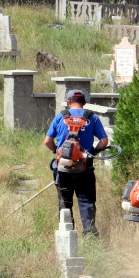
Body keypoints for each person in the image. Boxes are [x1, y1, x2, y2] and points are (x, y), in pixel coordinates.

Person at [43, 90, 108, 237]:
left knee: (65, 202)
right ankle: (90, 235)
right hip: (85, 168)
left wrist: (57, 152)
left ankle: (67, 236)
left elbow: (47, 141)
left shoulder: (60, 117)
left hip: (62, 169)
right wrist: (92, 153)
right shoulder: (92, 118)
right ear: (84, 102)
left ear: (69, 101)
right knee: (86, 203)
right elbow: (104, 141)